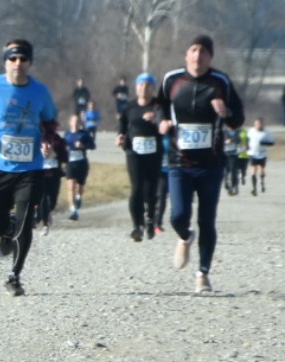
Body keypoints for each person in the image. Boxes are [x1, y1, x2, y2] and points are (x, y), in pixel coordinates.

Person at [0, 39, 65, 296]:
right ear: (5, 62)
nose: (18, 64)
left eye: (23, 59)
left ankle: (15, 276)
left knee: (25, 223)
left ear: (30, 63)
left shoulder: (40, 92)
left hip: (29, 169)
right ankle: (5, 229)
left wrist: (47, 141)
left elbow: (50, 123)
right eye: (13, 59)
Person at [158, 33, 245, 293]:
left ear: (211, 56)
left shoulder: (221, 82)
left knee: (207, 220)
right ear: (186, 54)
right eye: (194, 50)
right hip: (179, 161)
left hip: (211, 164)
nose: (198, 56)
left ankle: (202, 274)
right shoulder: (171, 80)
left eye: (204, 52)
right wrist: (161, 121)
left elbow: (237, 119)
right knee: (177, 215)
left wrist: (225, 113)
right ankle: (185, 237)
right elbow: (161, 105)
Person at [116, 72, 166, 242]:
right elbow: (122, 123)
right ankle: (137, 226)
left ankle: (150, 221)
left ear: (153, 88)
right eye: (141, 85)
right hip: (134, 152)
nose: (144, 88)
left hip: (153, 154)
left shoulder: (158, 107)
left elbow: (165, 122)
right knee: (136, 188)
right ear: (136, 88)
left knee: (151, 190)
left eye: (148, 85)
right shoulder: (130, 107)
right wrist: (120, 136)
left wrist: (156, 119)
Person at [62, 113, 91, 220]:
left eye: (77, 121)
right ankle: (73, 210)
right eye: (74, 121)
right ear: (70, 123)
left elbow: (93, 145)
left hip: (82, 163)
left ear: (80, 123)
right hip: (70, 164)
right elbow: (63, 147)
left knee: (80, 186)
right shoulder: (67, 134)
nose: (76, 123)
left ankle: (79, 197)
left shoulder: (84, 134)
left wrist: (83, 145)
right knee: (71, 187)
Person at [246, 117, 275, 195]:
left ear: (262, 124)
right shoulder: (251, 131)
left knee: (261, 169)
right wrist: (247, 148)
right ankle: (254, 188)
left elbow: (272, 143)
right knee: (253, 170)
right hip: (252, 153)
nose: (258, 125)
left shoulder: (267, 132)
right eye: (256, 124)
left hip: (262, 154)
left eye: (259, 124)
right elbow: (248, 139)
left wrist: (263, 143)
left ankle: (262, 182)